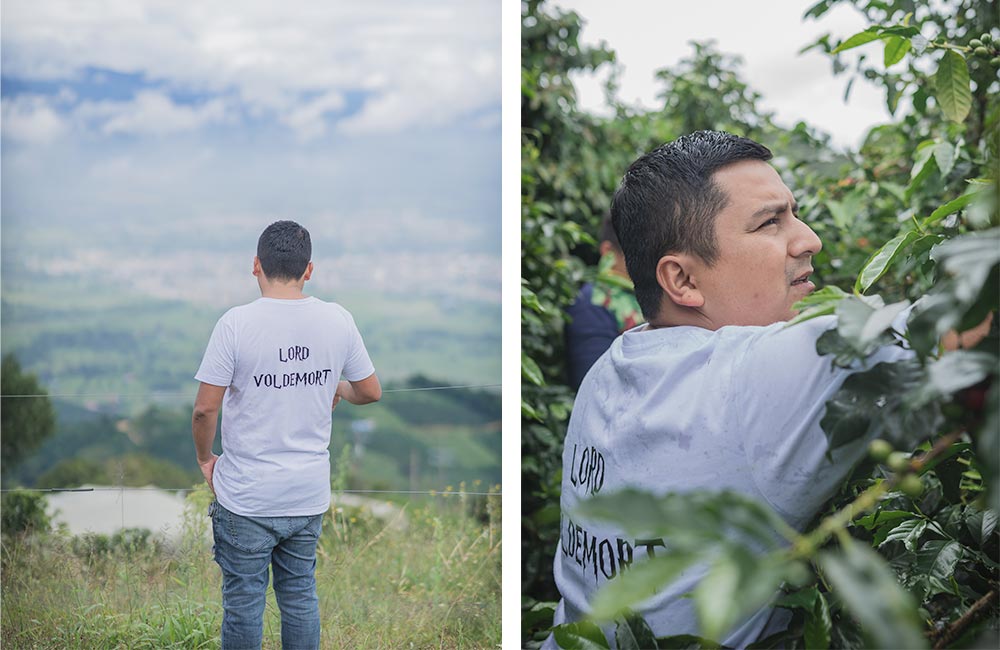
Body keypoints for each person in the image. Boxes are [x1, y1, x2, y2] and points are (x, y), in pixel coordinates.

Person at [547, 131, 916, 647]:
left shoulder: (611, 366)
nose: (809, 239)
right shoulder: (748, 376)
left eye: (794, 212)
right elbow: (963, 321)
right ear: (683, 282)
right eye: (770, 222)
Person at [192, 220, 381, 650]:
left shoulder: (235, 324)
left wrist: (206, 460)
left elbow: (206, 408)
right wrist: (333, 385)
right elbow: (370, 391)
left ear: (255, 265)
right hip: (306, 493)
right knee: (299, 597)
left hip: (246, 496)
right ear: (308, 270)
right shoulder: (337, 319)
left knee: (243, 604)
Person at [565, 215, 644, 391]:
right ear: (608, 252)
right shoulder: (592, 303)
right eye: (636, 253)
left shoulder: (644, 294)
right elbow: (596, 385)